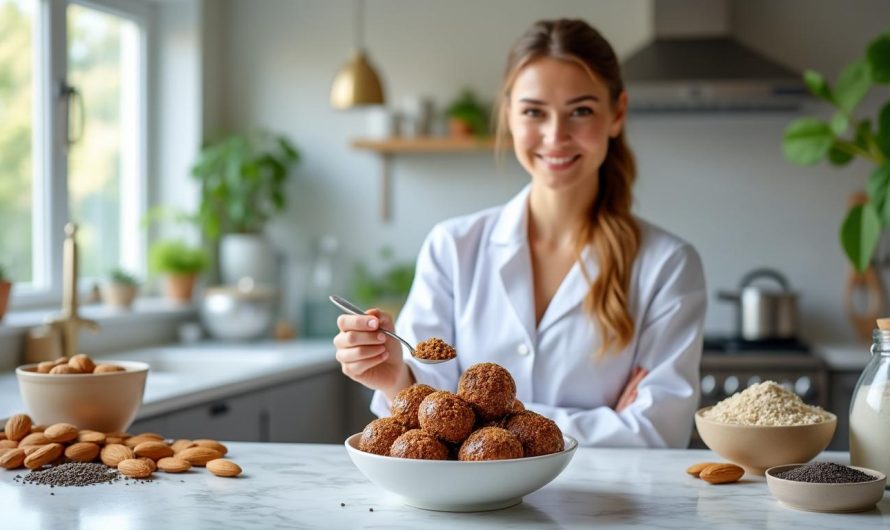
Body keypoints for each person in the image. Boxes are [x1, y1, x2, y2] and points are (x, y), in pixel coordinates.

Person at [333, 19, 706, 448]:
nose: (555, 135)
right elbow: (423, 413)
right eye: (534, 112)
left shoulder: (667, 265)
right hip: (469, 512)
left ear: (616, 113)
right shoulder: (453, 247)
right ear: (508, 113)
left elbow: (660, 433)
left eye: (580, 111)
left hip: (606, 512)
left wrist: (470, 420)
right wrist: (396, 376)